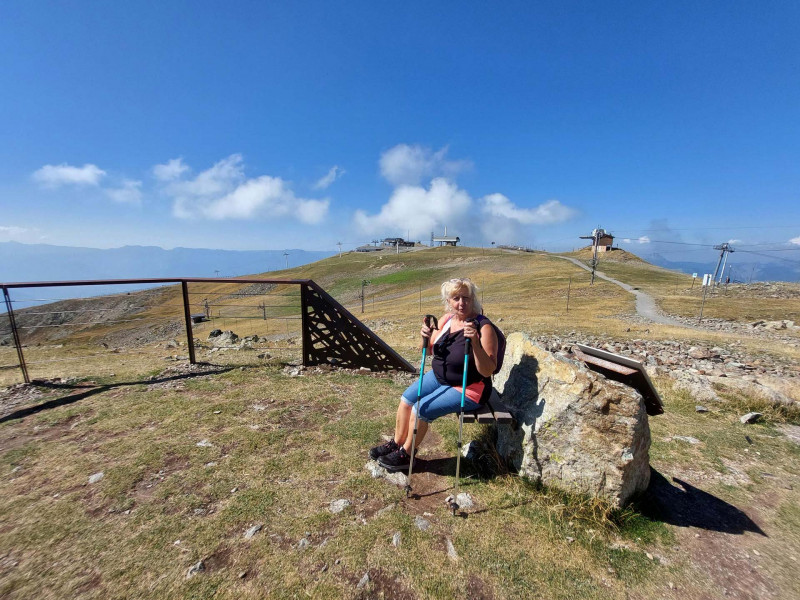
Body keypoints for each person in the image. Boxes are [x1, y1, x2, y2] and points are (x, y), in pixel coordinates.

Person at [369, 278, 499, 472]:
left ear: (473, 300)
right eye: (456, 298)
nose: (461, 303)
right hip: (439, 377)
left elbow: (488, 370)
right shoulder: (446, 320)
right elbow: (430, 351)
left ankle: (406, 454)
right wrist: (425, 337)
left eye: (466, 298)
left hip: (469, 387)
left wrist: (475, 344)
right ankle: (396, 443)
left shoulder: (484, 327)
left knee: (421, 409)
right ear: (448, 301)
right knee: (406, 400)